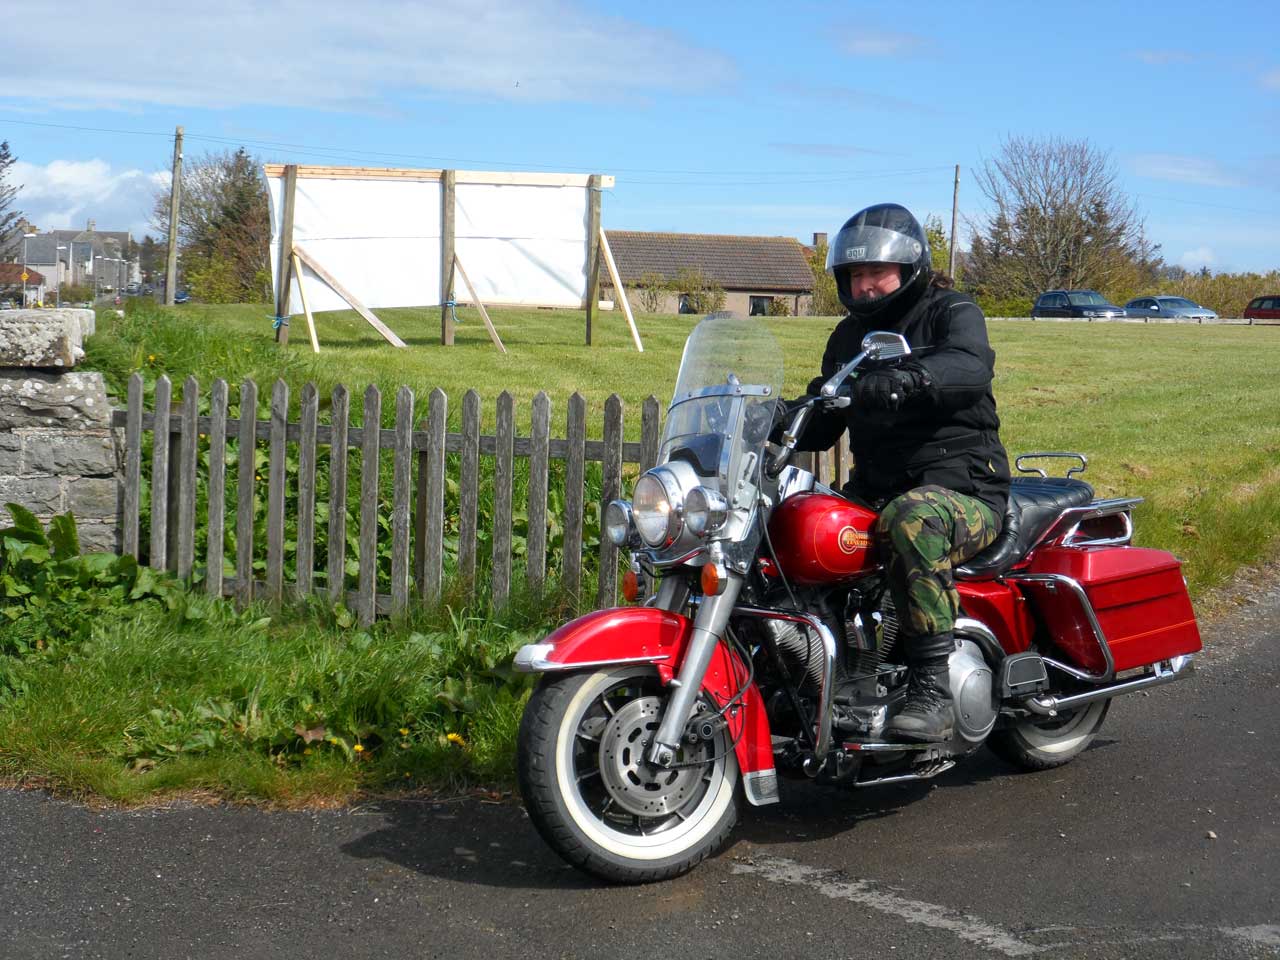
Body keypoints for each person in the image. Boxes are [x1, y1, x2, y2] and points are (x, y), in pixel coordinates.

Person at [792, 203, 1011, 742]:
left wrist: (911, 378)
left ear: (909, 269)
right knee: (799, 521)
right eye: (855, 276)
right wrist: (779, 418)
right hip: (877, 489)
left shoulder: (952, 311)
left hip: (964, 490)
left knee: (911, 519)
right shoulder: (848, 337)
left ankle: (932, 687)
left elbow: (969, 365)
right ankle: (817, 671)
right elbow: (825, 417)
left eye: (876, 274)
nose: (864, 286)